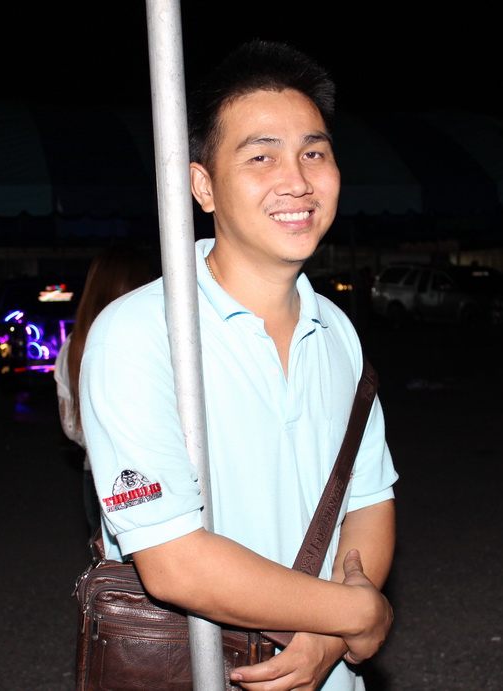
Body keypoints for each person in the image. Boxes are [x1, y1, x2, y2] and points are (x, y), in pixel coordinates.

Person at [80, 41, 397, 691]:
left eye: (314, 152)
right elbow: (176, 563)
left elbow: (368, 501)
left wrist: (324, 638)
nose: (297, 181)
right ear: (202, 185)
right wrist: (356, 613)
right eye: (261, 156)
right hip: (195, 669)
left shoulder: (337, 332)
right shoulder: (138, 335)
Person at [54, 245, 150, 535]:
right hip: (154, 474)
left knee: (111, 562)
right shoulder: (154, 338)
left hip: (98, 475)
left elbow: (71, 426)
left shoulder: (74, 345)